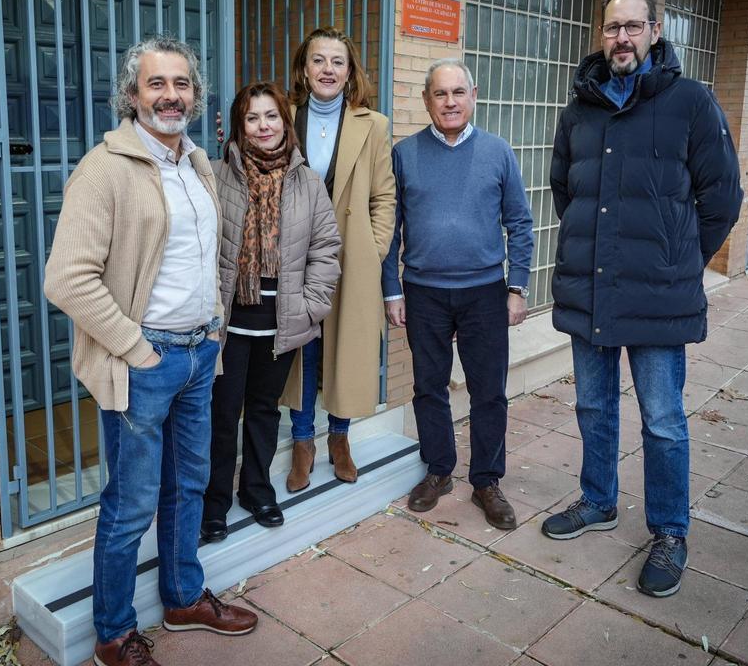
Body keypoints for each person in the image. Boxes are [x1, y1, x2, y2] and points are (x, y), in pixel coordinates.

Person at [44, 36, 257, 666]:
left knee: (189, 485)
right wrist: (136, 348)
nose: (171, 95)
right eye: (157, 84)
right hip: (146, 362)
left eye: (182, 83)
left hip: (198, 355)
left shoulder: (196, 164)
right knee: (131, 503)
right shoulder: (105, 168)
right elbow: (66, 278)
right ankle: (112, 633)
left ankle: (183, 597)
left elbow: (208, 258)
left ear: (196, 93)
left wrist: (215, 326)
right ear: (132, 95)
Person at [544, 0, 743, 598]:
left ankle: (670, 531)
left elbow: (723, 199)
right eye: (612, 28)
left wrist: (677, 259)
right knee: (593, 408)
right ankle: (599, 501)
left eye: (633, 26)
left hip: (658, 296)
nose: (621, 38)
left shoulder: (690, 102)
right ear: (600, 35)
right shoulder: (580, 107)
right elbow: (566, 191)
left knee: (662, 420)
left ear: (656, 31)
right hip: (592, 293)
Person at [383, 58, 534, 531]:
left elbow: (520, 224)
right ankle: (439, 470)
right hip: (424, 292)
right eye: (440, 94)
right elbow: (390, 230)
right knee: (429, 388)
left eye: (458, 92)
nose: (450, 102)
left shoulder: (498, 151)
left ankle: (486, 481)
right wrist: (392, 289)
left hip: (485, 293)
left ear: (474, 95)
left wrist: (518, 286)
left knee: (489, 392)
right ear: (426, 100)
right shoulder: (405, 154)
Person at [201, 82, 341, 543]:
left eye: (272, 116)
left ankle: (256, 489)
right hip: (228, 321)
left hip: (282, 320)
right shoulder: (215, 175)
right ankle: (214, 501)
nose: (263, 127)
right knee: (222, 415)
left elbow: (326, 248)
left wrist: (311, 307)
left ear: (286, 121)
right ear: (240, 126)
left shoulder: (307, 181)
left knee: (263, 411)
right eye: (252, 118)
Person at [282, 27, 397, 491]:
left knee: (347, 345)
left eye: (337, 62)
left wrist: (375, 249)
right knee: (303, 346)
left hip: (352, 253)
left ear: (350, 72)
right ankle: (302, 442)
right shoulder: (284, 117)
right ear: (304, 68)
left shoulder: (375, 124)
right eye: (318, 61)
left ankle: (340, 438)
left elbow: (384, 196)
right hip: (295, 255)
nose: (327, 70)